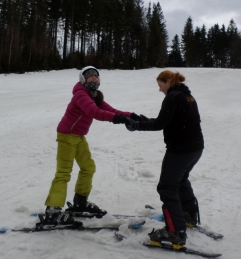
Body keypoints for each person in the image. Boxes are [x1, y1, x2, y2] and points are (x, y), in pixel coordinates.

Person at [43, 66, 138, 226]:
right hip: (67, 136)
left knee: (88, 167)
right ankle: (52, 212)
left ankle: (80, 203)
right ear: (82, 79)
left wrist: (132, 116)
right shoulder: (81, 94)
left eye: (96, 76)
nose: (93, 78)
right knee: (63, 173)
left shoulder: (93, 95)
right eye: (89, 76)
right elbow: (95, 112)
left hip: (78, 136)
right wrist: (119, 119)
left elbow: (111, 110)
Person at [125, 70, 204, 247]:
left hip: (180, 151)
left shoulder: (173, 97)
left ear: (168, 82)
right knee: (181, 180)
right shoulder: (186, 96)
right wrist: (141, 119)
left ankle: (175, 232)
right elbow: (167, 120)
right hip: (195, 149)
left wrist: (136, 125)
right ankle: (188, 216)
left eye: (160, 85)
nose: (160, 90)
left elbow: (160, 124)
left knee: (167, 188)